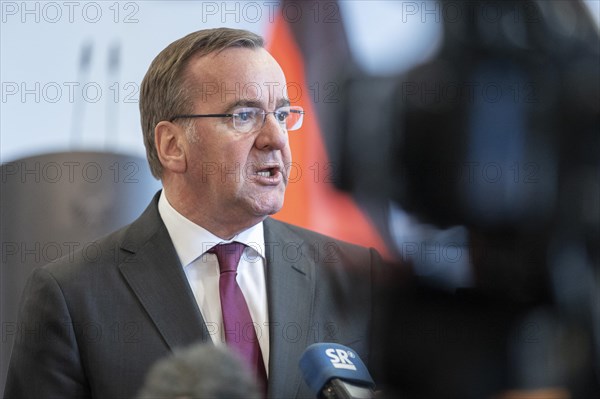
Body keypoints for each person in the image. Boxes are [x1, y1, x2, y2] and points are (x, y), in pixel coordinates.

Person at [4, 28, 383, 399]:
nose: (277, 140)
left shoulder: (352, 277)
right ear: (172, 145)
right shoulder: (72, 296)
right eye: (245, 116)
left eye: (282, 115)